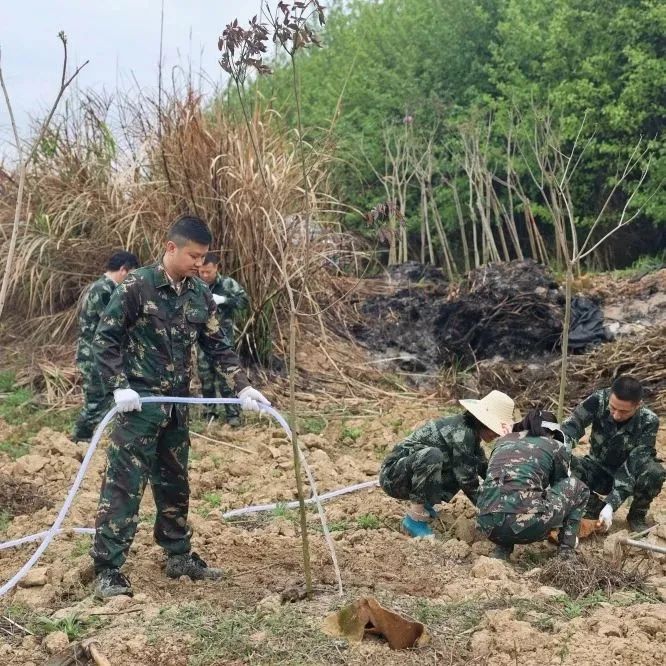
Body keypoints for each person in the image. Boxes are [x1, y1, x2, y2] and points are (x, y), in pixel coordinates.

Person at [90, 215, 271, 599]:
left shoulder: (199, 294)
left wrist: (244, 387)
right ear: (171, 247)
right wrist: (119, 387)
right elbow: (105, 339)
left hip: (175, 407)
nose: (199, 265)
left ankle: (178, 555)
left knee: (175, 482)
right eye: (193, 255)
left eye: (204, 257)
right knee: (124, 486)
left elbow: (217, 345)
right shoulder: (138, 286)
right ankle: (108, 569)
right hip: (139, 408)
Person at [379, 390, 515, 539]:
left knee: (461, 464)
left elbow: (484, 467)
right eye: (495, 429)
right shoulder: (462, 434)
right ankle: (415, 519)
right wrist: (491, 510)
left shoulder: (471, 435)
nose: (497, 434)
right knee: (434, 457)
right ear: (483, 422)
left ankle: (426, 503)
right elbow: (468, 481)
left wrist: (508, 488)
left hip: (408, 474)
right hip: (392, 477)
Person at [477, 410, 590, 560]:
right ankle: (566, 553)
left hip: (487, 525)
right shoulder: (554, 445)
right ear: (553, 432)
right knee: (578, 488)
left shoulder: (502, 442)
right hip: (529, 527)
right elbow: (561, 485)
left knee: (507, 491)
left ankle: (501, 549)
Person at [562, 376, 664, 533]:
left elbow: (634, 463)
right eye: (613, 408)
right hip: (595, 469)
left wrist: (612, 504)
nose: (616, 415)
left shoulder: (649, 421)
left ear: (638, 405)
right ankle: (595, 508)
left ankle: (636, 515)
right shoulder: (598, 400)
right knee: (562, 462)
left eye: (624, 411)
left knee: (654, 471)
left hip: (628, 477)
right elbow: (572, 426)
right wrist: (564, 456)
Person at [71, 250, 140, 443]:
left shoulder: (106, 289)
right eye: (132, 274)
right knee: (95, 401)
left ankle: (93, 439)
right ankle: (80, 439)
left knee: (105, 400)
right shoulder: (102, 290)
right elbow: (112, 325)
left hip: (100, 355)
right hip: (94, 356)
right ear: (123, 270)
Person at [197, 253, 249, 427]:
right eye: (201, 272)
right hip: (202, 339)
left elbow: (244, 302)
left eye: (208, 272)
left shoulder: (227, 284)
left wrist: (225, 300)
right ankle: (209, 412)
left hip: (224, 340)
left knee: (227, 377)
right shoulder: (196, 285)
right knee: (205, 377)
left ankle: (233, 414)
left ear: (216, 268)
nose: (205, 276)